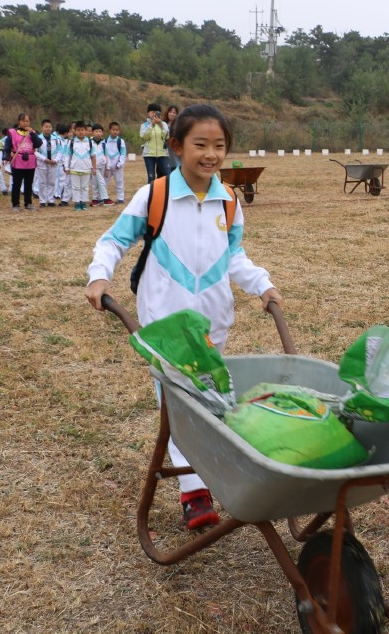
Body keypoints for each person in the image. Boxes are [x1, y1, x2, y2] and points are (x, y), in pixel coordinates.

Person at [85, 104, 283, 530]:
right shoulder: (154, 195)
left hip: (214, 321)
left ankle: (213, 471)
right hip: (163, 322)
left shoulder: (228, 200)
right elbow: (113, 241)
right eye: (200, 144)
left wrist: (261, 285)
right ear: (176, 147)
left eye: (219, 146)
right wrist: (99, 277)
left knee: (211, 398)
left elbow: (234, 256)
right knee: (176, 403)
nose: (210, 154)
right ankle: (194, 490)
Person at [3, 113, 43, 212]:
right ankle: (15, 203)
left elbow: (38, 143)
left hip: (30, 160)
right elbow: (7, 145)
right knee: (16, 183)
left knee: (29, 183)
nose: (26, 123)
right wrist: (6, 157)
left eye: (27, 121)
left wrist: (32, 133)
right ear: (19, 121)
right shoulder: (12, 132)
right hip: (18, 160)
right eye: (23, 121)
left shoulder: (32, 133)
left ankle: (28, 203)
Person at [63, 120, 97, 211]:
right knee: (76, 187)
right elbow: (67, 155)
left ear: (86, 131)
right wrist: (66, 167)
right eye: (78, 130)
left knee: (85, 187)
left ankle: (84, 203)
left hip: (86, 168)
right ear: (74, 131)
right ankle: (77, 203)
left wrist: (94, 168)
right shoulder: (71, 142)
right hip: (74, 168)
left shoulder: (90, 142)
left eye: (82, 130)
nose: (80, 132)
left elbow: (93, 156)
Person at [139, 103, 170, 183]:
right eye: (152, 112)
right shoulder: (144, 125)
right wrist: (151, 125)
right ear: (148, 113)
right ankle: (151, 194)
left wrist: (160, 125)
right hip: (149, 154)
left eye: (156, 112)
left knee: (167, 175)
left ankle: (168, 194)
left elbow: (167, 137)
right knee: (151, 178)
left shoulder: (164, 124)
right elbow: (144, 136)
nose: (154, 114)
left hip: (162, 154)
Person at [35, 119, 61, 208]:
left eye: (49, 127)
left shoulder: (56, 139)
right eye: (46, 127)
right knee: (42, 182)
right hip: (42, 163)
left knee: (52, 182)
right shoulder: (38, 139)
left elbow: (60, 151)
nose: (48, 128)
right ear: (42, 128)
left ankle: (50, 200)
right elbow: (35, 152)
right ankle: (42, 200)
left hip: (53, 163)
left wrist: (56, 160)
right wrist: (44, 159)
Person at [104, 121, 127, 204]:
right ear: (109, 130)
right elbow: (104, 154)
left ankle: (121, 198)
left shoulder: (121, 141)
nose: (115, 131)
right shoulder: (105, 142)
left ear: (119, 131)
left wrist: (120, 164)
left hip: (118, 166)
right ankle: (104, 197)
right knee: (105, 182)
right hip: (108, 166)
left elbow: (123, 153)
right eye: (113, 130)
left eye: (117, 130)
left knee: (119, 182)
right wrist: (106, 165)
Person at [90, 123, 112, 206]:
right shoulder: (90, 143)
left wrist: (107, 168)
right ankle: (105, 199)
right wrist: (92, 167)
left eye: (99, 131)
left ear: (102, 132)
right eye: (96, 131)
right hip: (93, 166)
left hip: (102, 165)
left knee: (97, 182)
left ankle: (96, 199)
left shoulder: (104, 143)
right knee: (100, 182)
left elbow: (107, 156)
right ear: (92, 132)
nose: (98, 133)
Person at [164, 105, 180, 171]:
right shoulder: (162, 123)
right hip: (164, 150)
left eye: (174, 113)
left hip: (173, 150)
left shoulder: (178, 125)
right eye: (170, 112)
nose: (172, 114)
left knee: (174, 167)